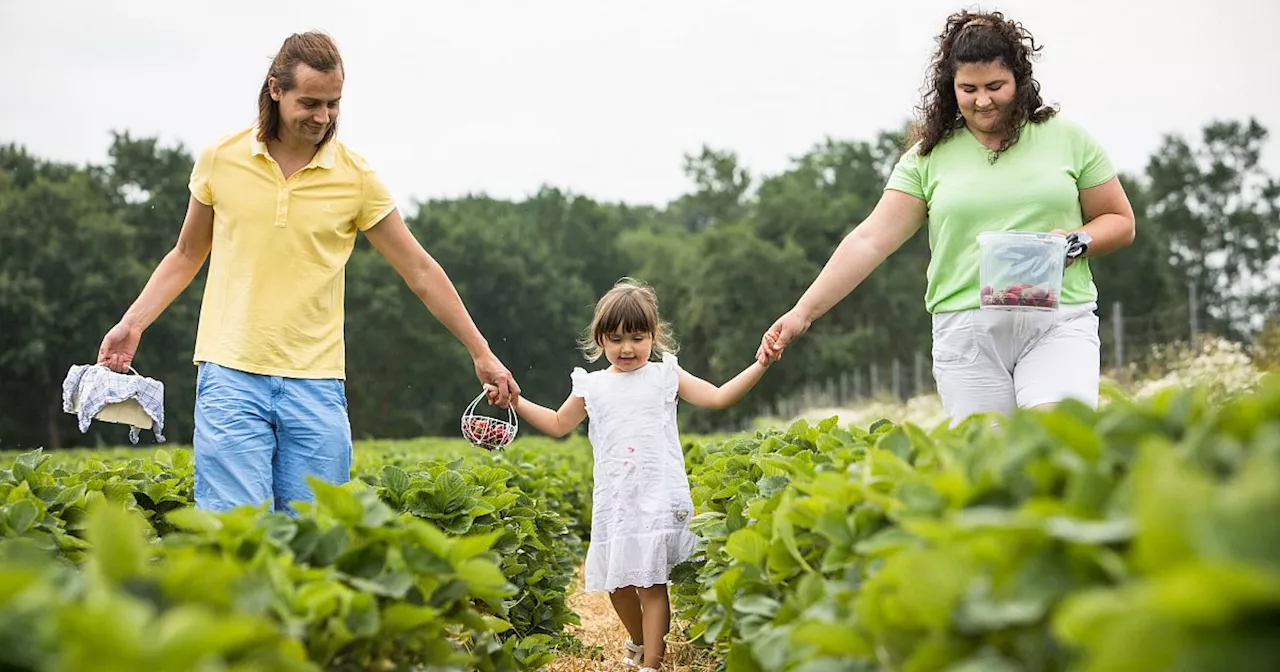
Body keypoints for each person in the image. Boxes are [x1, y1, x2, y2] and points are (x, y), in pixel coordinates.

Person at [96, 31, 520, 513]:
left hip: (316, 380)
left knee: (316, 533)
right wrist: (132, 324)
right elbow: (187, 253)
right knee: (236, 531)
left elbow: (419, 269)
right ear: (275, 89)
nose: (323, 117)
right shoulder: (222, 158)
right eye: (311, 103)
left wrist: (481, 352)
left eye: (334, 104)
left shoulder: (356, 178)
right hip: (231, 372)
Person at [756, 9, 1136, 426]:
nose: (983, 100)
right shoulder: (927, 158)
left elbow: (1119, 220)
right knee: (988, 465)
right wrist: (801, 313)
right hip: (967, 330)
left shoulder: (1068, 138)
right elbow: (871, 240)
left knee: (1057, 439)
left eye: (996, 86)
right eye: (968, 88)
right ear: (949, 87)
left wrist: (1073, 243)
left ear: (1020, 80)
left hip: (1057, 320)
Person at [487, 278, 774, 671]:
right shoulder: (593, 386)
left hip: (658, 495)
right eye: (617, 338)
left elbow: (719, 396)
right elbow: (557, 423)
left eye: (637, 338)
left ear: (654, 336)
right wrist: (515, 400)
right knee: (618, 586)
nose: (627, 348)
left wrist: (760, 364)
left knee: (651, 585)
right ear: (600, 339)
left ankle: (652, 664)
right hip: (617, 499)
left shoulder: (664, 376)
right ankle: (638, 642)